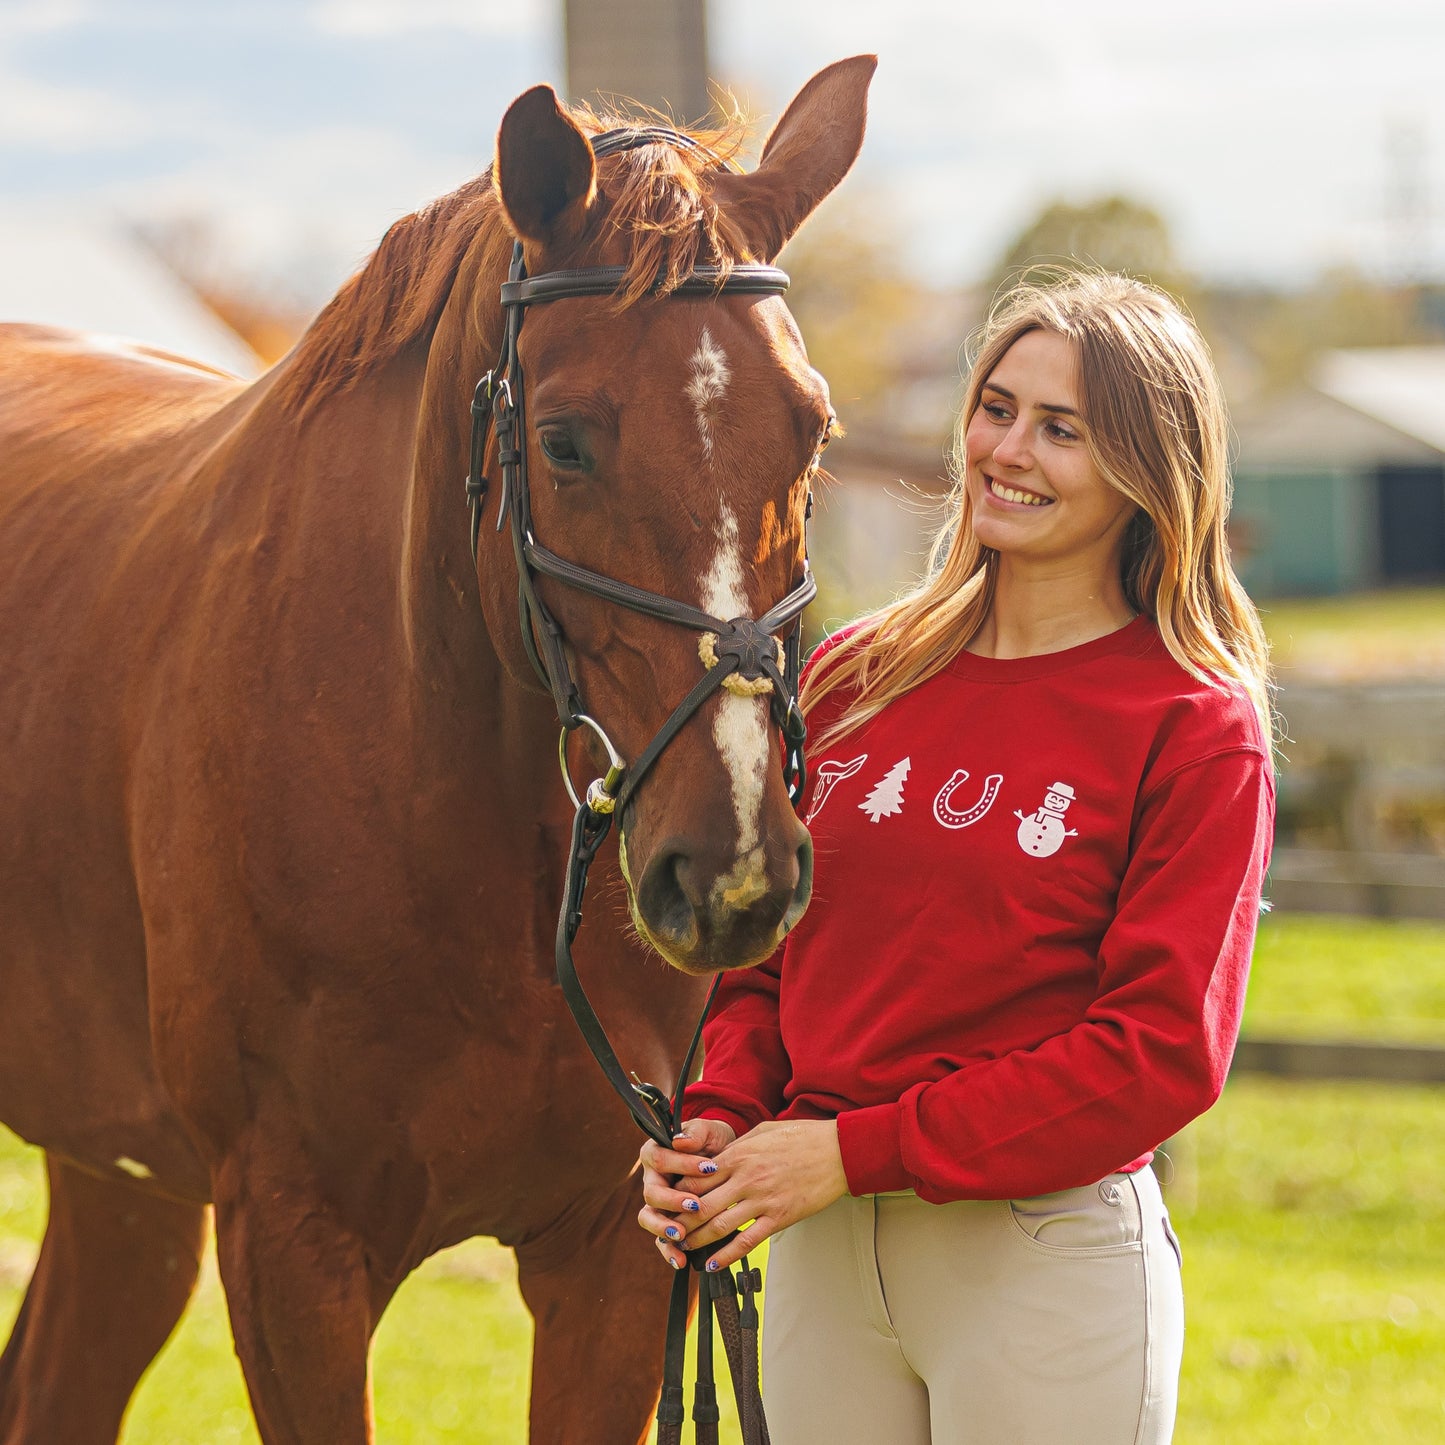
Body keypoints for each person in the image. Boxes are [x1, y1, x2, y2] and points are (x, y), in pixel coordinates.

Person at [637, 270, 1275, 1444]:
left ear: (1147, 470)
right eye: (994, 406)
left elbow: (1155, 1052)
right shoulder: (850, 674)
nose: (1006, 449)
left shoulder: (1189, 721)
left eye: (1060, 428)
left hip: (1037, 1261)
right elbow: (770, 965)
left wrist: (852, 1148)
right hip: (822, 1253)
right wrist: (722, 1117)